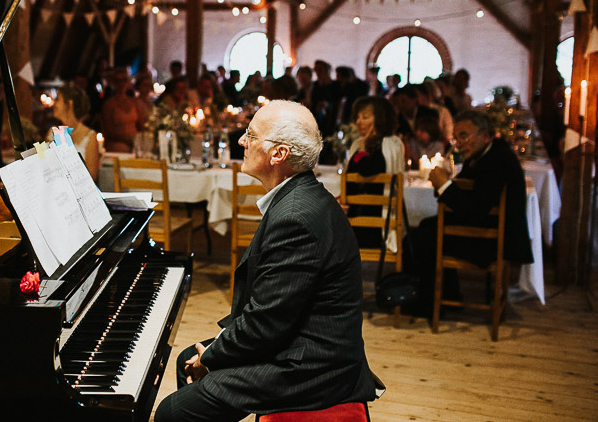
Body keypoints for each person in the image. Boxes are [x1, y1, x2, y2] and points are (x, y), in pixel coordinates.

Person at [155, 100, 377, 421]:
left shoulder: (296, 217)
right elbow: (271, 313)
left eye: (251, 135)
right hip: (298, 342)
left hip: (311, 368)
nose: (242, 141)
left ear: (278, 154)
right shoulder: (301, 195)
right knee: (189, 359)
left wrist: (215, 355)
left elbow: (266, 323)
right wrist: (217, 350)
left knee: (173, 411)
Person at [405, 110, 533, 313]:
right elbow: (465, 196)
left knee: (416, 239)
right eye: (456, 138)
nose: (458, 143)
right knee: (426, 226)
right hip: (485, 230)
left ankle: (426, 303)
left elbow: (474, 211)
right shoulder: (488, 152)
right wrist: (446, 185)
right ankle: (447, 294)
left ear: (485, 135)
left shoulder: (495, 160)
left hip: (491, 240)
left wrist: (444, 186)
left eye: (464, 136)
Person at [343, 96, 403, 248]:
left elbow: (367, 170)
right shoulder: (359, 144)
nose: (358, 122)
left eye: (365, 117)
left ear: (380, 119)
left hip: (377, 226)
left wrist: (362, 150)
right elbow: (351, 180)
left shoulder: (390, 145)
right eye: (357, 117)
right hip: (357, 221)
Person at [50, 83, 100, 181]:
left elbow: (92, 176)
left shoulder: (90, 136)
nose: (54, 104)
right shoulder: (52, 134)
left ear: (70, 104)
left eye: (58, 100)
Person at [101, 67, 144, 152]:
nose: (121, 84)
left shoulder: (134, 102)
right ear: (114, 83)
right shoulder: (109, 104)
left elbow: (141, 125)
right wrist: (128, 139)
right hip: (117, 142)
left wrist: (139, 139)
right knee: (122, 148)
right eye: (118, 81)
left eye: (124, 80)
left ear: (128, 82)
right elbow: (109, 131)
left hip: (135, 140)